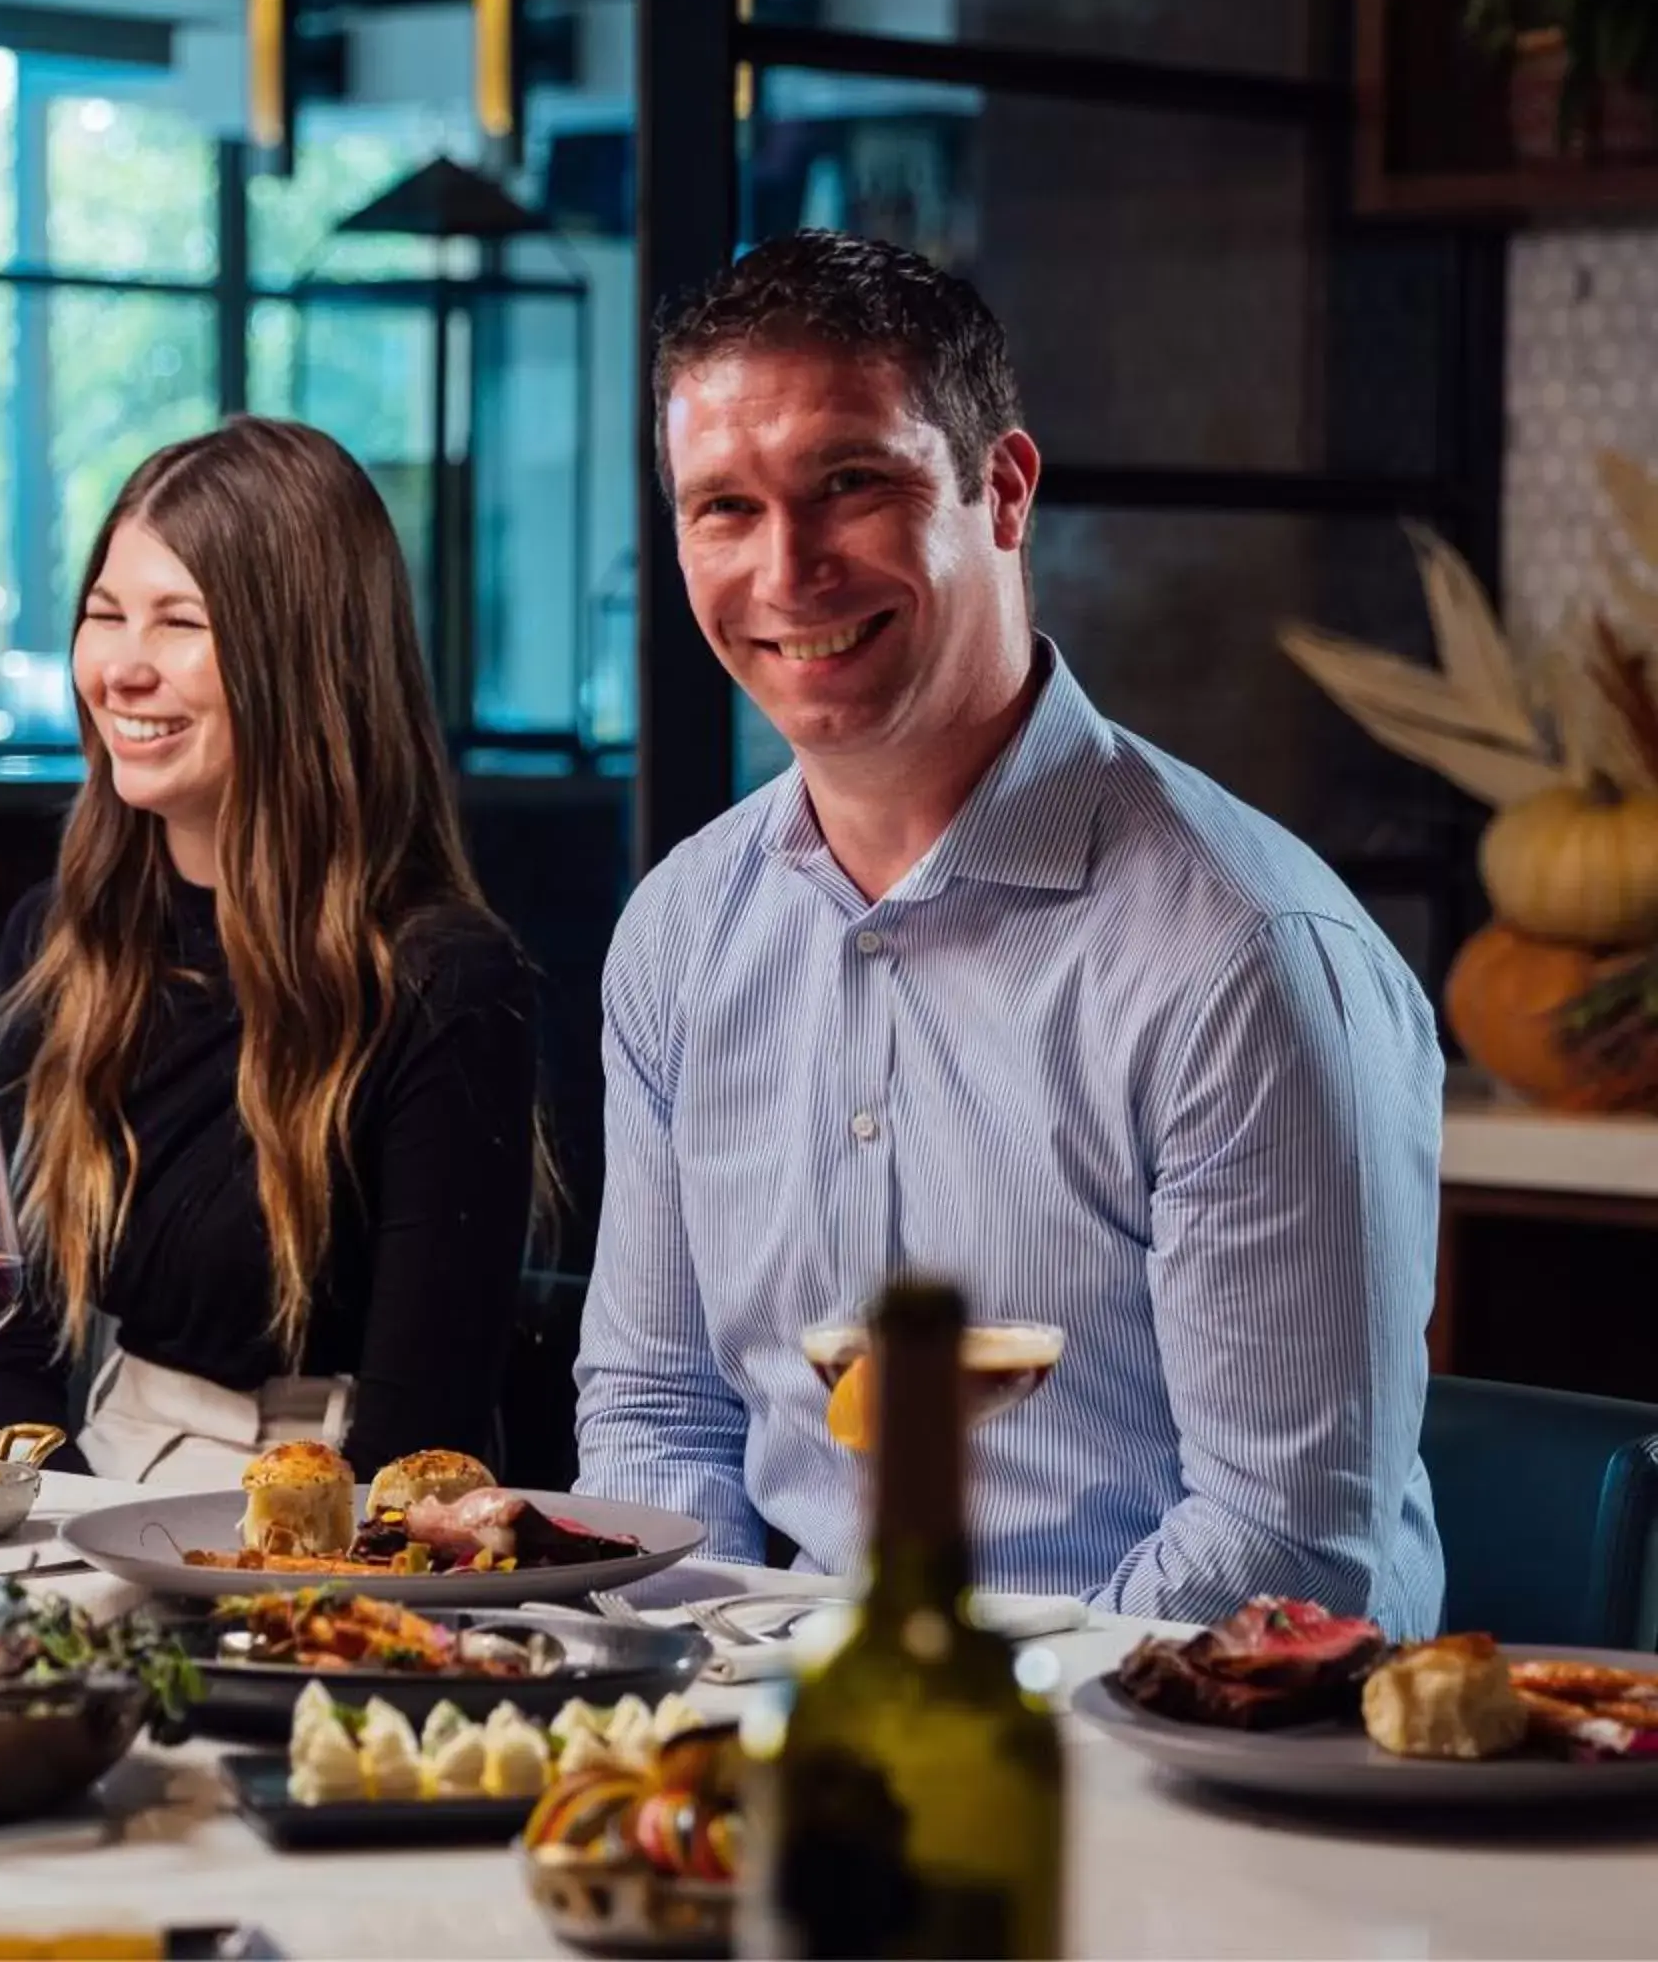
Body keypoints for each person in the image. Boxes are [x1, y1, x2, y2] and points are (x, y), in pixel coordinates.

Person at [574, 232, 1444, 1634]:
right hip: (796, 1730)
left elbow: (1277, 1549)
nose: (786, 569)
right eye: (723, 506)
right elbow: (657, 1415)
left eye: (851, 482)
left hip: (1199, 1758)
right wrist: (714, 1688)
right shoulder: (680, 933)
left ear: (1004, 491)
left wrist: (944, 1718)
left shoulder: (1243, 958)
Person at [0, 416, 544, 1484]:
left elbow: (422, 1434)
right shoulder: (63, 940)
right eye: (104, 614)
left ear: (302, 661)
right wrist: (52, 1530)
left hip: (330, 1516)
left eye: (179, 621)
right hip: (87, 1477)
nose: (121, 667)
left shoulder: (445, 980)